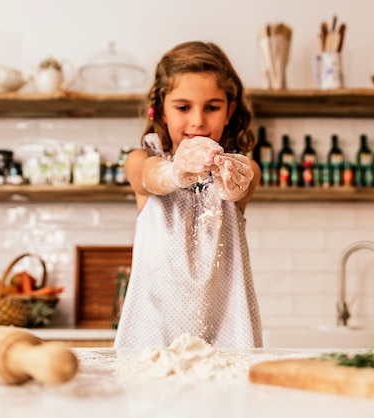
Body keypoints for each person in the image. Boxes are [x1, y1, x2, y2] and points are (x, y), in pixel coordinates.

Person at [113, 41, 263, 349]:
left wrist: (232, 182)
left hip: (226, 333)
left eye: (212, 107)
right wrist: (175, 172)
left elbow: (247, 184)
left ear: (229, 110)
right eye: (183, 107)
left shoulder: (240, 168)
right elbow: (148, 177)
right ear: (161, 110)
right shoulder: (141, 160)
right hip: (153, 332)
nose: (197, 121)